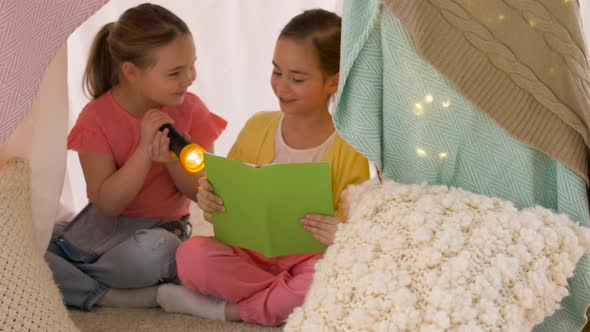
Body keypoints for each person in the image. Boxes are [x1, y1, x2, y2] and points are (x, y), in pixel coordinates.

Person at [156, 9, 370, 326]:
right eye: (276, 72)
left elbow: (357, 225)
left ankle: (226, 310)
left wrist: (340, 231)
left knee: (329, 277)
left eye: (297, 79)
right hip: (248, 253)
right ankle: (281, 301)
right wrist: (209, 200)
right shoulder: (258, 126)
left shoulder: (351, 146)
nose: (281, 86)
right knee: (190, 256)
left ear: (333, 82)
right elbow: (221, 192)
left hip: (307, 259)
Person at [44, 3, 226, 310]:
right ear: (130, 72)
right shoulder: (96, 119)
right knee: (20, 244)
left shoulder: (191, 111)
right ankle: (107, 295)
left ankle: (80, 284)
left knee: (160, 251)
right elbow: (108, 204)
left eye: (191, 65)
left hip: (157, 233)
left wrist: (170, 161)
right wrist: (143, 152)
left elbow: (201, 191)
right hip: (100, 229)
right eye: (175, 73)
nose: (189, 78)